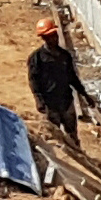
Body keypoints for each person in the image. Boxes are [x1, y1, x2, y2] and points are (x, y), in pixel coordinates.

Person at [27, 17, 82, 145]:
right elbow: (33, 81)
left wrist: (84, 94)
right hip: (50, 104)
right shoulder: (37, 58)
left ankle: (78, 154)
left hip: (66, 101)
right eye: (50, 36)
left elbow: (72, 77)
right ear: (44, 38)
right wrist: (39, 100)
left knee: (72, 133)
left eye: (55, 35)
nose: (54, 38)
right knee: (55, 135)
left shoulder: (64, 55)